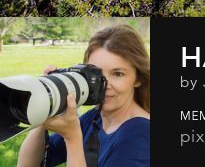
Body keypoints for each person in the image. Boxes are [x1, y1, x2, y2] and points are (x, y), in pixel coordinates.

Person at [17, 25, 150, 167]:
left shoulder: (141, 133)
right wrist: (47, 107)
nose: (104, 85)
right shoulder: (94, 119)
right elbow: (29, 164)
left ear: (138, 78)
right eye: (96, 74)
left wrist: (72, 138)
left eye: (118, 74)